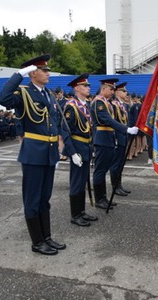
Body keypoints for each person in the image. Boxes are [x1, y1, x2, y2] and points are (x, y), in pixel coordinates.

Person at [0, 54, 65, 256]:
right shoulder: (23, 93)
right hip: (34, 153)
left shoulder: (49, 94)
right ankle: (37, 241)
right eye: (44, 70)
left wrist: (60, 150)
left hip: (49, 153)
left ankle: (47, 237)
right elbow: (3, 99)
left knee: (45, 198)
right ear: (33, 73)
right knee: (33, 199)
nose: (48, 73)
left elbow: (54, 124)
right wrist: (18, 75)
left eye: (47, 70)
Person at [91, 78, 139, 209]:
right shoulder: (98, 102)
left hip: (108, 138)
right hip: (102, 139)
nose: (112, 91)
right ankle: (99, 199)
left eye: (114, 89)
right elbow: (107, 120)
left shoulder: (106, 103)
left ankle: (104, 198)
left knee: (104, 169)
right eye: (111, 89)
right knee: (100, 171)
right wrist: (126, 129)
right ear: (103, 89)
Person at [61, 73, 98, 227]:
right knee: (76, 182)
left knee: (83, 181)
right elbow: (65, 131)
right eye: (85, 85)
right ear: (77, 88)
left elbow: (91, 127)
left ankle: (81, 211)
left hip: (86, 146)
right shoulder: (71, 106)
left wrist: (92, 146)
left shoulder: (86, 105)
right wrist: (72, 152)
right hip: (77, 148)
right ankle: (75, 215)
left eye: (88, 85)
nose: (88, 88)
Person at [109, 82, 132, 196]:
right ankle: (115, 187)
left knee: (121, 163)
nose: (126, 93)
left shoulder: (123, 105)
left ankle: (119, 185)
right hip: (117, 136)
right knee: (116, 163)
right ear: (117, 92)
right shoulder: (114, 105)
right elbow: (113, 123)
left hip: (123, 136)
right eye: (123, 91)